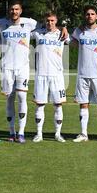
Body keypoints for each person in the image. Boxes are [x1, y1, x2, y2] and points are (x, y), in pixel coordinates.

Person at [0, 0, 69, 143]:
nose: (14, 12)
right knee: (10, 98)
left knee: (24, 98)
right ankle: (13, 132)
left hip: (27, 68)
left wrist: (64, 27)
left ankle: (22, 133)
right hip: (8, 67)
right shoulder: (1, 23)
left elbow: (71, 37)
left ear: (21, 11)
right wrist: (0, 42)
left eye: (17, 9)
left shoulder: (30, 24)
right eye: (12, 9)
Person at [71, 5, 97, 143]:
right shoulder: (79, 31)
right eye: (87, 14)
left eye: (92, 14)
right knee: (83, 104)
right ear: (85, 16)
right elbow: (71, 42)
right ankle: (83, 134)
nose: (90, 16)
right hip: (83, 74)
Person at [31, 12, 69, 143]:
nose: (50, 23)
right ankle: (39, 134)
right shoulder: (37, 33)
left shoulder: (62, 34)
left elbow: (76, 37)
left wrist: (65, 27)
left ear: (56, 21)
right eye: (47, 20)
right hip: (41, 74)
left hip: (57, 75)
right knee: (40, 105)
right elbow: (23, 30)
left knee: (58, 105)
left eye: (52, 20)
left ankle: (58, 134)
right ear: (44, 21)